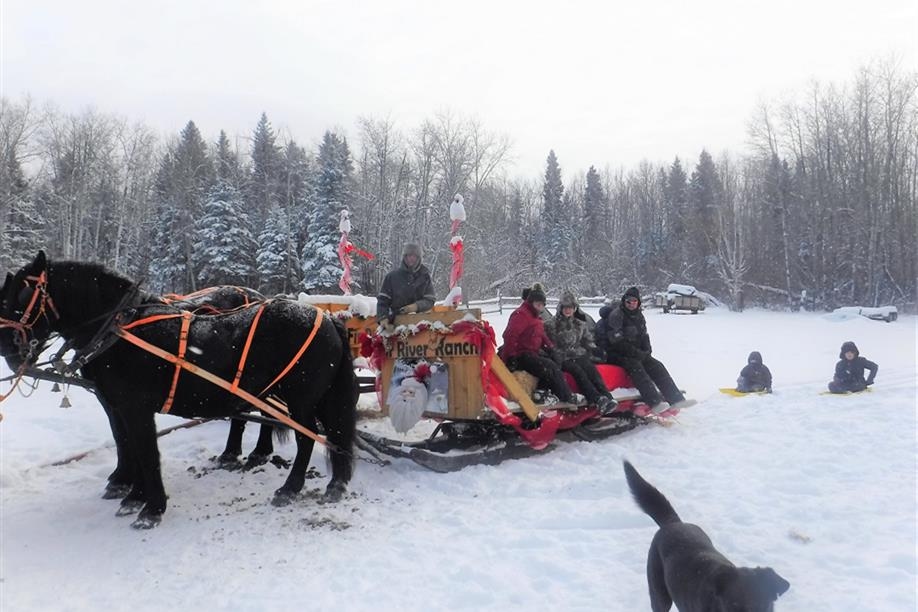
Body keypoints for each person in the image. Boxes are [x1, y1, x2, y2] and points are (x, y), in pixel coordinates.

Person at [599, 286, 691, 413]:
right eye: (629, 301)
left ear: (638, 302)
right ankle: (654, 402)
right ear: (624, 302)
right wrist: (637, 354)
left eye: (634, 301)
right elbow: (617, 341)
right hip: (615, 352)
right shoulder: (617, 316)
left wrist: (647, 351)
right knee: (635, 366)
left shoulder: (639, 316)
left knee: (656, 365)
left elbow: (644, 336)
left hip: (635, 352)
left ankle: (676, 399)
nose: (631, 304)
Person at [501, 283, 584, 406]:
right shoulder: (521, 315)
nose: (540, 307)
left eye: (542, 305)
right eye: (537, 304)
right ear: (531, 302)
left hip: (531, 353)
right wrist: (511, 357)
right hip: (520, 354)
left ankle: (541, 392)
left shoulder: (536, 317)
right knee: (548, 366)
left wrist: (551, 349)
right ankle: (567, 396)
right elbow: (510, 336)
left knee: (554, 362)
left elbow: (542, 336)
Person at [546, 291, 617, 414]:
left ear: (575, 309)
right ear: (561, 308)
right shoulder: (551, 324)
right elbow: (549, 344)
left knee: (591, 369)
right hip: (562, 357)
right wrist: (558, 355)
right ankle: (596, 398)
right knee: (578, 372)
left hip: (578, 354)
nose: (568, 310)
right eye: (566, 307)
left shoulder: (579, 324)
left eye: (571, 308)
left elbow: (587, 340)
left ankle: (607, 397)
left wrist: (595, 349)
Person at [376, 242, 436, 330]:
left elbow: (430, 300)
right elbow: (383, 301)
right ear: (405, 257)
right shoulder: (392, 277)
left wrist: (415, 307)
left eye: (414, 256)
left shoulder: (424, 277)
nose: (411, 258)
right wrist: (383, 318)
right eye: (409, 255)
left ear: (419, 258)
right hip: (395, 325)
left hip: (421, 325)